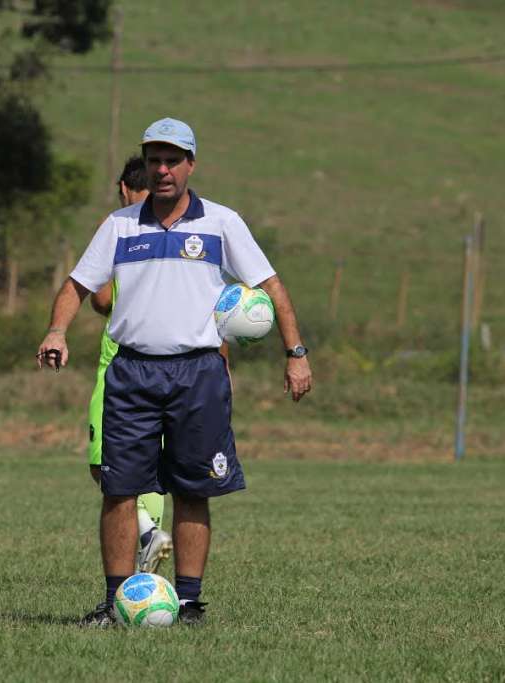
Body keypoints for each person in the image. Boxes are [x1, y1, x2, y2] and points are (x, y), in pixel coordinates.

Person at [37, 117, 312, 627]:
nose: (162, 170)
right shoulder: (119, 226)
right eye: (153, 161)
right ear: (145, 166)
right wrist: (56, 331)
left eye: (172, 160)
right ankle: (117, 602)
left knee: (193, 489)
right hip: (132, 372)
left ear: (191, 165)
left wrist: (295, 353)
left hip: (199, 373)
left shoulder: (222, 223)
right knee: (119, 490)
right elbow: (78, 285)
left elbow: (271, 285)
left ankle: (188, 603)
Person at [89, 156, 172, 574]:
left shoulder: (119, 225)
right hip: (174, 367)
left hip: (120, 363)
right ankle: (150, 539)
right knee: (153, 464)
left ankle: (144, 534)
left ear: (124, 188)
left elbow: (100, 298)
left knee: (104, 466)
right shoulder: (176, 225)